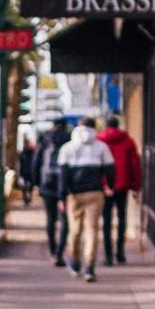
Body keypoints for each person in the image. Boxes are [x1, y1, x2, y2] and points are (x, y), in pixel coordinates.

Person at [54, 122, 115, 280]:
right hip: (95, 192)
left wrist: (62, 196)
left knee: (74, 230)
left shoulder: (67, 148)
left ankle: (74, 262)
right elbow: (110, 169)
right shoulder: (101, 147)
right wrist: (110, 186)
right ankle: (89, 267)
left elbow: (63, 175)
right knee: (92, 230)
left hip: (74, 194)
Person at [96, 113, 143, 266]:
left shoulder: (100, 141)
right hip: (122, 185)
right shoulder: (128, 142)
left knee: (107, 220)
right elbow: (135, 165)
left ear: (107, 126)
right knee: (122, 218)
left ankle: (108, 256)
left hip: (105, 186)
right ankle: (120, 253)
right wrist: (136, 186)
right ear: (118, 125)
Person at [37, 124, 68, 263]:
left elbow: (36, 163)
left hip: (47, 185)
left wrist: (36, 184)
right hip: (64, 185)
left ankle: (52, 249)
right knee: (65, 220)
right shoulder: (68, 141)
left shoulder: (45, 142)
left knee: (50, 219)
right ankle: (60, 251)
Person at [15, 129, 41, 203]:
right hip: (24, 172)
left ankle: (29, 197)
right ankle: (25, 198)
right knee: (24, 187)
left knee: (30, 186)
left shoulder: (31, 152)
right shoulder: (22, 153)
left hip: (30, 171)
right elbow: (19, 164)